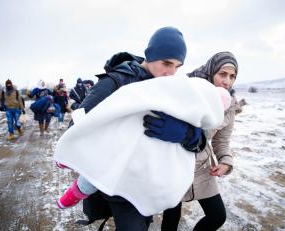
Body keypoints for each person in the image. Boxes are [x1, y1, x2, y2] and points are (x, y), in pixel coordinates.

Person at [57, 26, 202, 231]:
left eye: (177, 66)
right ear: (151, 55)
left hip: (150, 181)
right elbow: (77, 126)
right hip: (120, 181)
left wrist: (187, 134)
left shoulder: (173, 89)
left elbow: (201, 140)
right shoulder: (117, 81)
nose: (171, 72)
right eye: (167, 63)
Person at [160, 51, 239, 231]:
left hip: (202, 168)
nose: (227, 81)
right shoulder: (186, 92)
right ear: (211, 72)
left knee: (217, 216)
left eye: (232, 76)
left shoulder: (229, 106)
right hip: (176, 165)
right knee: (171, 217)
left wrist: (226, 161)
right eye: (222, 74)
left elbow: (222, 141)